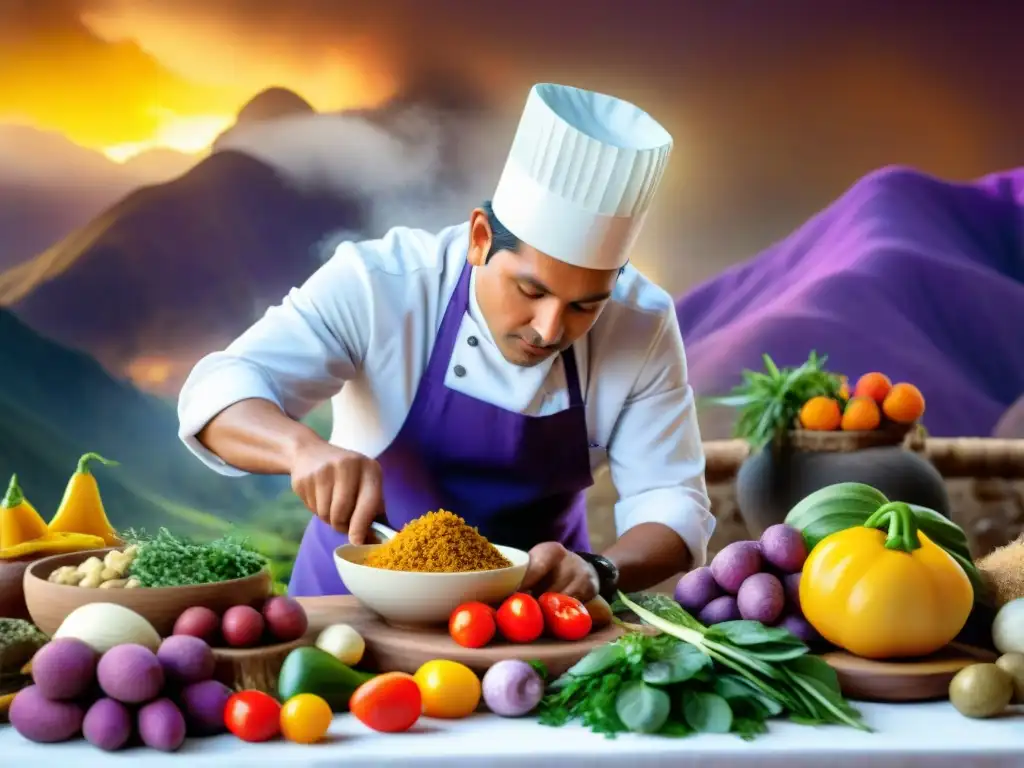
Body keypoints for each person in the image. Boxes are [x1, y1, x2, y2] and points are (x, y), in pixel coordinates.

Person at [177, 82, 714, 603]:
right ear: (481, 237)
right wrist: (300, 449)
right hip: (348, 615)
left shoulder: (642, 323)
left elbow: (671, 502)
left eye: (585, 306)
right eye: (530, 290)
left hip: (531, 623)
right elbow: (219, 389)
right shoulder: (383, 283)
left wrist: (601, 570)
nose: (549, 329)